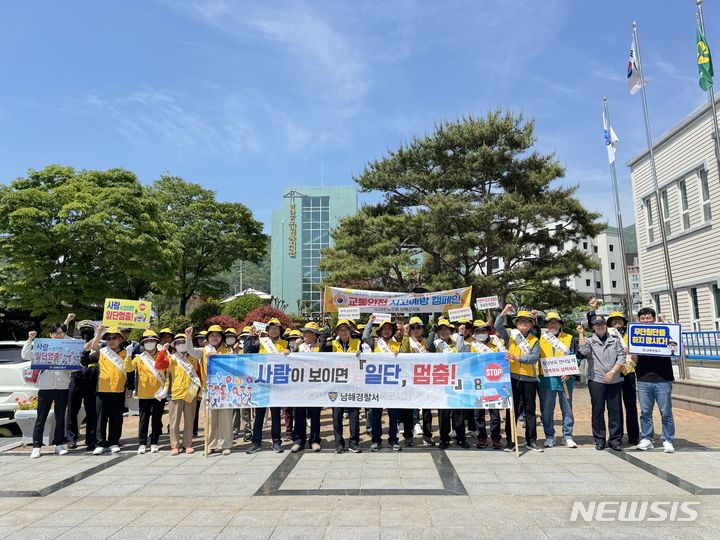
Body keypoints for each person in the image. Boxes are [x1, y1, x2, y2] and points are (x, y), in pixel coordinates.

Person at [588, 299, 640, 446]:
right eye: (613, 320)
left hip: (628, 371)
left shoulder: (631, 334)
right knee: (613, 407)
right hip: (611, 373)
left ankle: (633, 435)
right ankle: (612, 436)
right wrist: (592, 310)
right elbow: (593, 324)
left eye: (620, 320)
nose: (617, 322)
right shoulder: (610, 334)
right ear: (609, 323)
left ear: (624, 322)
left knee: (630, 406)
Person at [22, 318, 74, 458]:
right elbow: (25, 355)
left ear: (64, 334)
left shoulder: (68, 347)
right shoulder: (42, 347)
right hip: (45, 388)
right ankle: (36, 446)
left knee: (60, 417)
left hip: (62, 387)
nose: (58, 335)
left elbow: (76, 362)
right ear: (50, 334)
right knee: (41, 418)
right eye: (55, 333)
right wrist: (30, 339)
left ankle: (58, 444)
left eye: (61, 333)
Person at [494, 305, 542, 452]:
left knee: (530, 410)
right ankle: (510, 440)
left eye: (526, 321)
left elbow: (534, 358)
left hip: (529, 378)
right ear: (516, 323)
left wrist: (516, 357)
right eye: (520, 321)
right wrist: (504, 312)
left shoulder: (534, 340)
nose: (523, 324)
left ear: (530, 324)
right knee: (512, 410)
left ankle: (531, 440)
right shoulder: (510, 335)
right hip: (512, 378)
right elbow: (497, 326)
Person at [577, 315, 626, 451]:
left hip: (615, 379)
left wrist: (612, 372)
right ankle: (599, 439)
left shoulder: (615, 340)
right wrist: (581, 334)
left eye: (602, 324)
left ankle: (615, 439)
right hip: (596, 379)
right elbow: (583, 351)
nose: (600, 326)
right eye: (597, 324)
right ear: (593, 327)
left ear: (606, 325)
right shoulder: (589, 341)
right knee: (598, 410)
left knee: (615, 410)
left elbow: (622, 357)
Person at [83, 326, 132, 455]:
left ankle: (114, 442)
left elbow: (130, 373)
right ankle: (100, 443)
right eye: (109, 338)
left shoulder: (127, 354)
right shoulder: (102, 352)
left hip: (118, 391)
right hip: (102, 390)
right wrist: (85, 351)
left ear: (121, 339)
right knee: (101, 418)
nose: (111, 341)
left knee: (116, 418)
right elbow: (85, 361)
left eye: (114, 338)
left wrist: (130, 388)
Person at [185, 324, 233, 455]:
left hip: (225, 390)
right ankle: (210, 444)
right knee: (210, 419)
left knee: (226, 418)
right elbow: (190, 351)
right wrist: (188, 337)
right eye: (212, 335)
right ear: (207, 338)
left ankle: (225, 444)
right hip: (209, 390)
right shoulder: (204, 351)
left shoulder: (228, 351)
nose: (215, 337)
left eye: (217, 335)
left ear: (222, 337)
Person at [632, 307, 676, 453]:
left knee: (666, 412)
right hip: (643, 378)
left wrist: (665, 321)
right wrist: (631, 351)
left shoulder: (663, 332)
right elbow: (634, 360)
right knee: (645, 412)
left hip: (663, 378)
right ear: (639, 320)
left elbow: (675, 342)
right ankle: (647, 438)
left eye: (648, 317)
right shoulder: (636, 335)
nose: (646, 320)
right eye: (643, 318)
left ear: (654, 318)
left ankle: (668, 440)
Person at [362, 316, 406, 451]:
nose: (387, 330)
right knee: (376, 414)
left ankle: (393, 440)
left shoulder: (398, 345)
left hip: (392, 384)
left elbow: (404, 363)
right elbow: (364, 336)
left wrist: (401, 354)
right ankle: (376, 440)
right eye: (384, 328)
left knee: (393, 414)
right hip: (377, 384)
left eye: (389, 328)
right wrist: (370, 321)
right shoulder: (374, 343)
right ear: (380, 331)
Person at [245, 318, 289, 454]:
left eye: (277, 328)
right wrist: (251, 335)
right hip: (262, 385)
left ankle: (276, 442)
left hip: (277, 385)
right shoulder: (260, 342)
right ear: (267, 330)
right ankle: (256, 442)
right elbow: (247, 351)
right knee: (259, 415)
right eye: (271, 328)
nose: (274, 330)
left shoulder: (286, 343)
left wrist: (290, 352)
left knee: (276, 415)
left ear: (280, 330)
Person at [538, 312, 578, 449]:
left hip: (565, 380)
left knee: (567, 409)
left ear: (560, 324)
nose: (553, 325)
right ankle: (549, 436)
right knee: (547, 410)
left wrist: (570, 371)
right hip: (546, 380)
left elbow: (575, 357)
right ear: (547, 325)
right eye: (550, 322)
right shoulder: (541, 338)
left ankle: (567, 436)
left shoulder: (569, 338)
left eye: (556, 322)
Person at [125, 330, 167, 454]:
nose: (149, 343)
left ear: (156, 342)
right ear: (143, 343)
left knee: (156, 419)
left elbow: (168, 373)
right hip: (144, 394)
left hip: (159, 393)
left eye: (152, 341)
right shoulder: (139, 357)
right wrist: (128, 355)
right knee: (143, 420)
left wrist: (166, 388)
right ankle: (142, 443)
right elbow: (128, 368)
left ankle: (154, 442)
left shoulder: (163, 355)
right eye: (147, 341)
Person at [324, 319, 362, 453]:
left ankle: (353, 442)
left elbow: (367, 358)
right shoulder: (332, 344)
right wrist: (324, 338)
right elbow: (321, 354)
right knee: (337, 414)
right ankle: (339, 443)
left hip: (353, 383)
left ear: (350, 331)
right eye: (341, 330)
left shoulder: (358, 343)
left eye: (346, 329)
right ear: (337, 332)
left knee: (354, 414)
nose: (344, 332)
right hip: (336, 384)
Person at [290, 321, 326, 453]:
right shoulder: (299, 347)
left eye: (308, 332)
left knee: (315, 414)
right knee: (299, 413)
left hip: (315, 385)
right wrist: (294, 348)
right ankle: (299, 440)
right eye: (304, 332)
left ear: (315, 335)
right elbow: (291, 362)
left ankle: (315, 440)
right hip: (300, 385)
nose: (304, 334)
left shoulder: (321, 347)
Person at [164, 334, 201, 455]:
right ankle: (174, 445)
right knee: (174, 421)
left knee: (190, 420)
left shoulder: (194, 358)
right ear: (174, 345)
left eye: (183, 342)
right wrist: (163, 352)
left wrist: (200, 391)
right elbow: (159, 366)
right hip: (175, 392)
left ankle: (187, 444)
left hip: (191, 391)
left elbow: (199, 375)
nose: (181, 344)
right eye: (178, 342)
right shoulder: (171, 358)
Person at [469, 319, 503, 450]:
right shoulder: (471, 346)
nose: (481, 333)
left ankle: (495, 438)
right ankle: (481, 437)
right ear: (474, 333)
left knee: (494, 412)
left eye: (483, 330)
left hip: (493, 382)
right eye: (478, 331)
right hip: (477, 382)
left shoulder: (496, 345)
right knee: (478, 413)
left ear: (488, 332)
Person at [402, 316, 435, 446]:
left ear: (422, 328)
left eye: (418, 327)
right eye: (413, 327)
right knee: (409, 410)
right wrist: (405, 334)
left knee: (427, 411)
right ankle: (408, 436)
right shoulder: (407, 340)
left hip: (426, 379)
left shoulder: (428, 341)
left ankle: (427, 435)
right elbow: (404, 352)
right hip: (410, 379)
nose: (416, 330)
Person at [66, 319, 98, 450]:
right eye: (84, 331)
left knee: (91, 410)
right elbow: (62, 336)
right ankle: (71, 438)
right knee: (73, 409)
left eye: (89, 331)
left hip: (91, 379)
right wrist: (67, 321)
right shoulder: (73, 343)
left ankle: (91, 439)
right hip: (76, 377)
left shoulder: (97, 344)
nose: (86, 334)